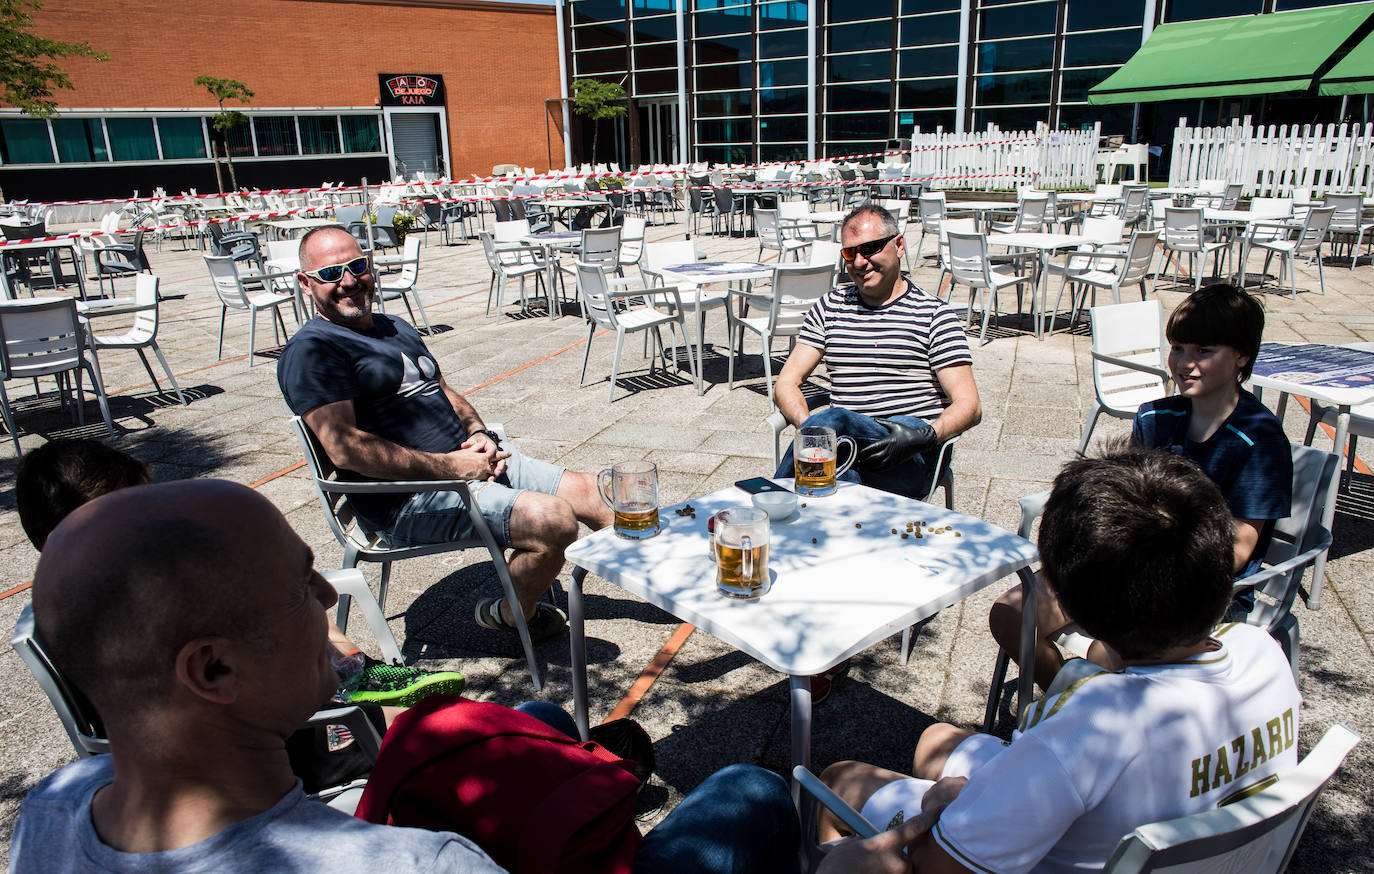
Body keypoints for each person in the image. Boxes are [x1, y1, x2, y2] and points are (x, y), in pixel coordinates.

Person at [9, 478, 846, 874]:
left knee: (543, 725)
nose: (326, 596)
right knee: (749, 789)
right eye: (300, 585)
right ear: (215, 667)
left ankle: (602, 765)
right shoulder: (421, 868)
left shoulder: (52, 809)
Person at [817, 449, 1302, 873]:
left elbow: (935, 867)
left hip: (1025, 850)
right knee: (934, 740)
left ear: (1079, 610)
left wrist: (935, 812)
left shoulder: (1090, 726)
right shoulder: (1262, 651)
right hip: (1165, 839)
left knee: (838, 778)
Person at [277, 225, 613, 641]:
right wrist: (452, 466)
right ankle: (512, 614)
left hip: (469, 466)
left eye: (357, 266)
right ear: (306, 284)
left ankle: (667, 592)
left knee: (600, 495)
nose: (348, 281)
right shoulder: (313, 352)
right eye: (331, 274)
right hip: (408, 500)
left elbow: (443, 389)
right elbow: (345, 450)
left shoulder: (392, 325)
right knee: (553, 520)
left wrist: (478, 431)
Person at [990, 283, 1293, 687]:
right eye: (1178, 348)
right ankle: (1066, 701)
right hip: (1121, 566)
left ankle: (1089, 712)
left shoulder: (1260, 440)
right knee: (1011, 613)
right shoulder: (1154, 417)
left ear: (1242, 355)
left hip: (1197, 590)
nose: (1185, 363)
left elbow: (1236, 550)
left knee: (1109, 653)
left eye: (1204, 350)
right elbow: (1124, 502)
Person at [772, 202, 982, 502]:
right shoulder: (830, 307)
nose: (859, 262)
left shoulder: (934, 315)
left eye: (869, 249)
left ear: (898, 246)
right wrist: (813, 432)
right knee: (839, 458)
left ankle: (773, 504)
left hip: (911, 455)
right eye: (849, 253)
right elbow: (786, 383)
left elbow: (970, 406)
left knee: (837, 422)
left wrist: (924, 436)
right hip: (846, 451)